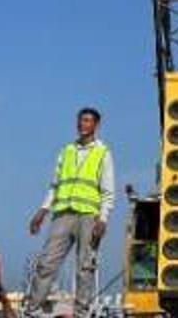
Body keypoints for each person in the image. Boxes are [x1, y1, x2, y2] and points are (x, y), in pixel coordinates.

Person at [25, 107, 115, 318]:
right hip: (63, 214)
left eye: (87, 121)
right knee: (46, 263)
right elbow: (55, 185)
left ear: (96, 125)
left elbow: (108, 191)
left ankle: (82, 313)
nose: (82, 124)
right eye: (80, 120)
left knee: (85, 267)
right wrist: (42, 211)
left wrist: (103, 218)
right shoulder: (66, 151)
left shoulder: (103, 153)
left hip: (88, 217)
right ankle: (33, 310)